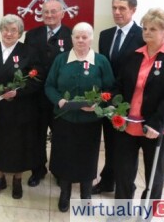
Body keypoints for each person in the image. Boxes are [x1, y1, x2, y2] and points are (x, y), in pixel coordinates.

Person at [112, 8, 164, 214]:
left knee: (154, 174)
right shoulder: (133, 55)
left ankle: (147, 212)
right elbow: (119, 86)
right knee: (124, 172)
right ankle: (122, 211)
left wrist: (157, 123)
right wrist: (117, 111)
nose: (147, 32)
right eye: (145, 28)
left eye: (153, 29)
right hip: (129, 125)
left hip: (157, 128)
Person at [45, 22, 114, 212]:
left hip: (90, 122)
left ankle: (86, 195)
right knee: (64, 156)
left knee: (87, 157)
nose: (81, 40)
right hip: (64, 119)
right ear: (72, 38)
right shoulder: (60, 59)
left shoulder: (101, 61)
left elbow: (109, 88)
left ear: (91, 38)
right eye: (77, 37)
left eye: (85, 37)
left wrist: (98, 104)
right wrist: (58, 100)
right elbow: (49, 85)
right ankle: (65, 193)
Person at [0, 14, 43, 200]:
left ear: (20, 33)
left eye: (14, 30)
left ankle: (16, 180)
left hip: (21, 108)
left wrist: (18, 92)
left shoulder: (29, 52)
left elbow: (37, 79)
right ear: (1, 30)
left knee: (19, 145)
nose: (9, 33)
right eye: (6, 29)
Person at [95, 0, 145, 194]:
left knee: (126, 151)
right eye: (114, 7)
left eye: (122, 8)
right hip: (109, 102)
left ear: (133, 10)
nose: (117, 12)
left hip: (130, 104)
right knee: (110, 145)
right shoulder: (105, 35)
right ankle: (107, 181)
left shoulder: (142, 36)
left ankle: (125, 187)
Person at [24, 0, 72, 187]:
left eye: (54, 11)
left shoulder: (71, 34)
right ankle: (38, 170)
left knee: (61, 136)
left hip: (60, 97)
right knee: (37, 135)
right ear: (41, 14)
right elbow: (27, 63)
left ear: (62, 13)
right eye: (46, 12)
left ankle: (59, 171)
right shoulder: (32, 35)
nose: (50, 15)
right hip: (36, 96)